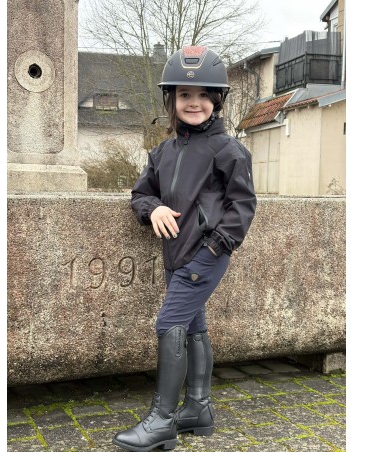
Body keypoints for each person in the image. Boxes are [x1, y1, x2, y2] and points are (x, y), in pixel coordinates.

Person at [112, 45, 257, 452]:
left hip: (205, 255)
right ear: (171, 100)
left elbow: (243, 206)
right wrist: (154, 208)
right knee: (193, 325)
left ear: (217, 100)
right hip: (175, 254)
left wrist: (215, 248)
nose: (194, 102)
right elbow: (141, 194)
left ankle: (161, 421)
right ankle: (198, 409)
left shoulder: (229, 150)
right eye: (185, 95)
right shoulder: (163, 152)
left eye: (203, 95)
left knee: (169, 323)